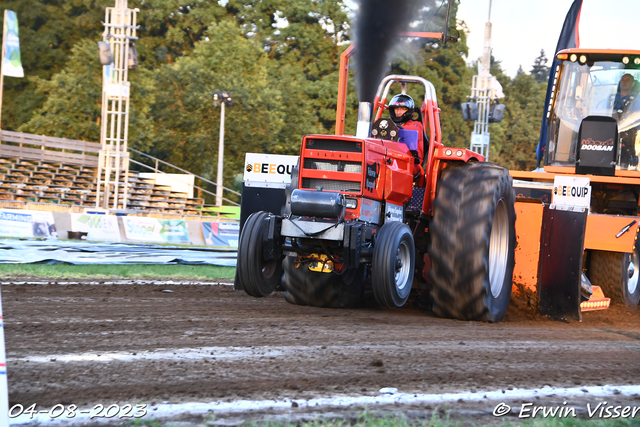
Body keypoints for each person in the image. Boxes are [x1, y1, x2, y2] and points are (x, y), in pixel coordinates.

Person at [388, 94, 425, 165]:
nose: (398, 112)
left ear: (409, 110)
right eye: (396, 109)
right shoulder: (394, 126)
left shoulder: (416, 125)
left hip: (413, 164)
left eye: (403, 109)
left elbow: (403, 131)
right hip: (395, 159)